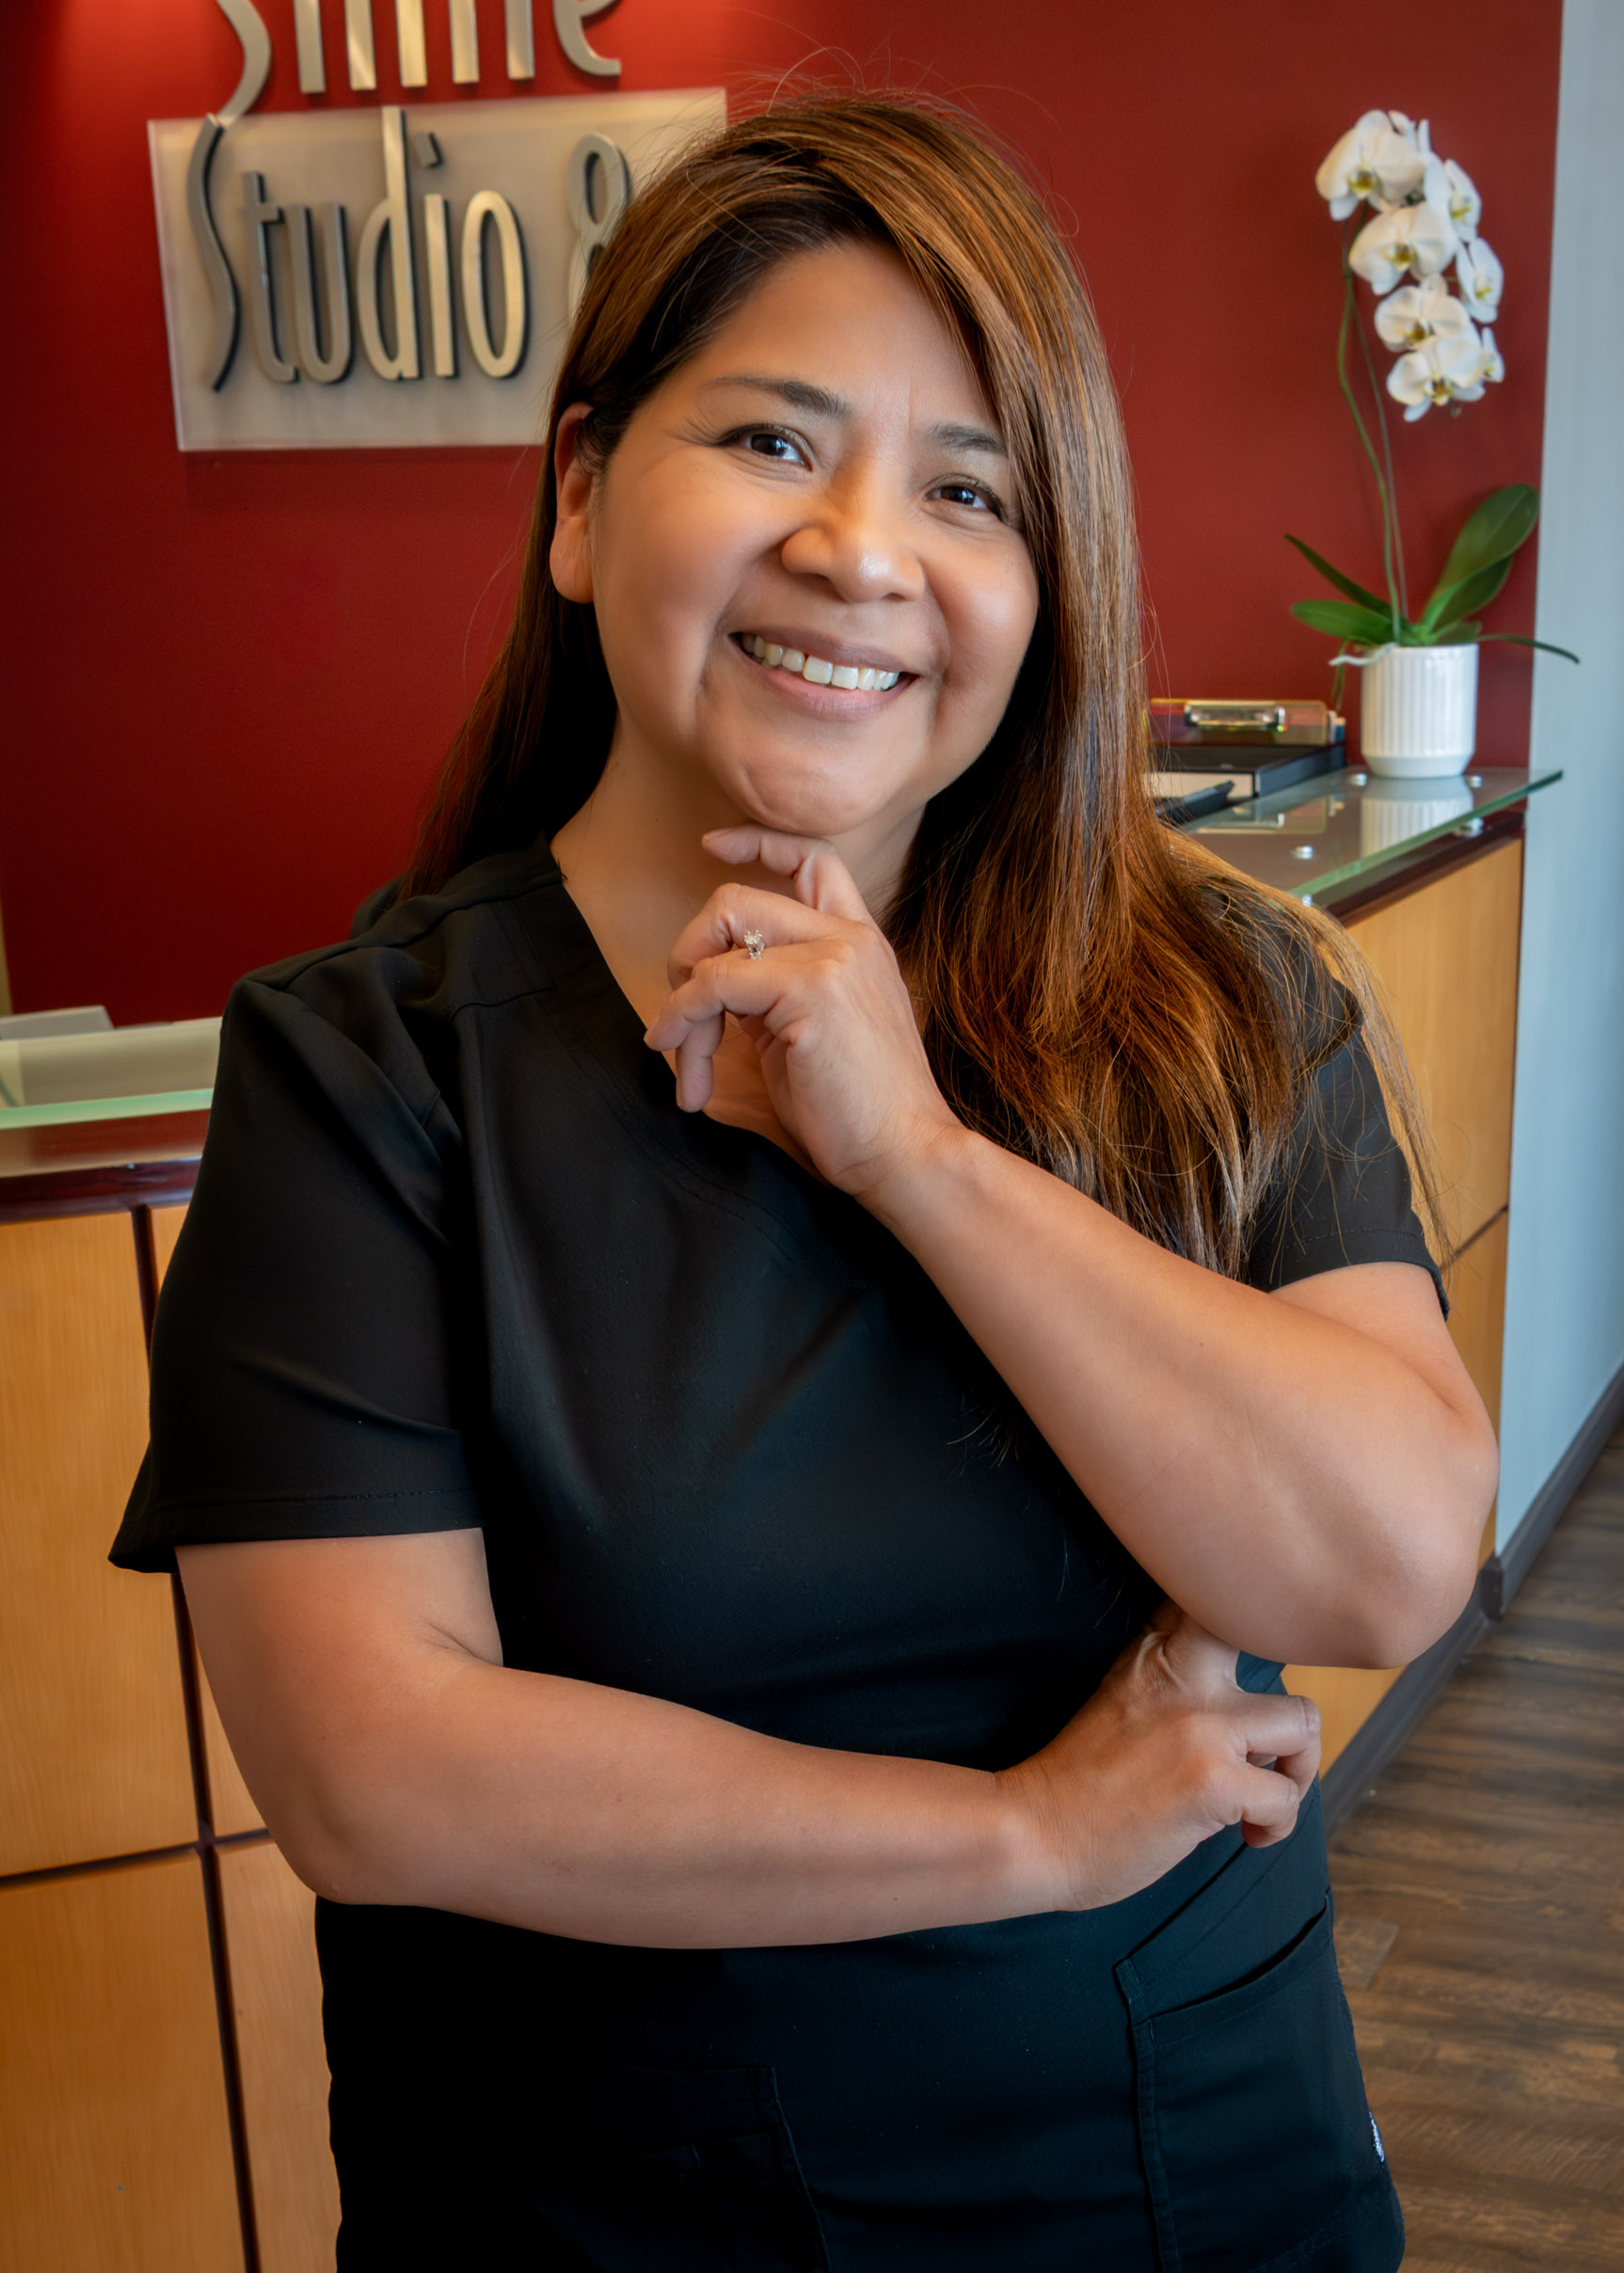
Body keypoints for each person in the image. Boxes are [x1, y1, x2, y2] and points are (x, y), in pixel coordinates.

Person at [113, 95, 1497, 2270]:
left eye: (966, 488)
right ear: (577, 499)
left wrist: (914, 1153)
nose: (862, 548)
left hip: (1185, 2176)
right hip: (602, 2204)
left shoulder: (1209, 993)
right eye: (768, 441)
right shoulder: (363, 1068)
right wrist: (1022, 1835)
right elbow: (379, 1770)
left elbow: (1383, 1557)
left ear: (1040, 590)